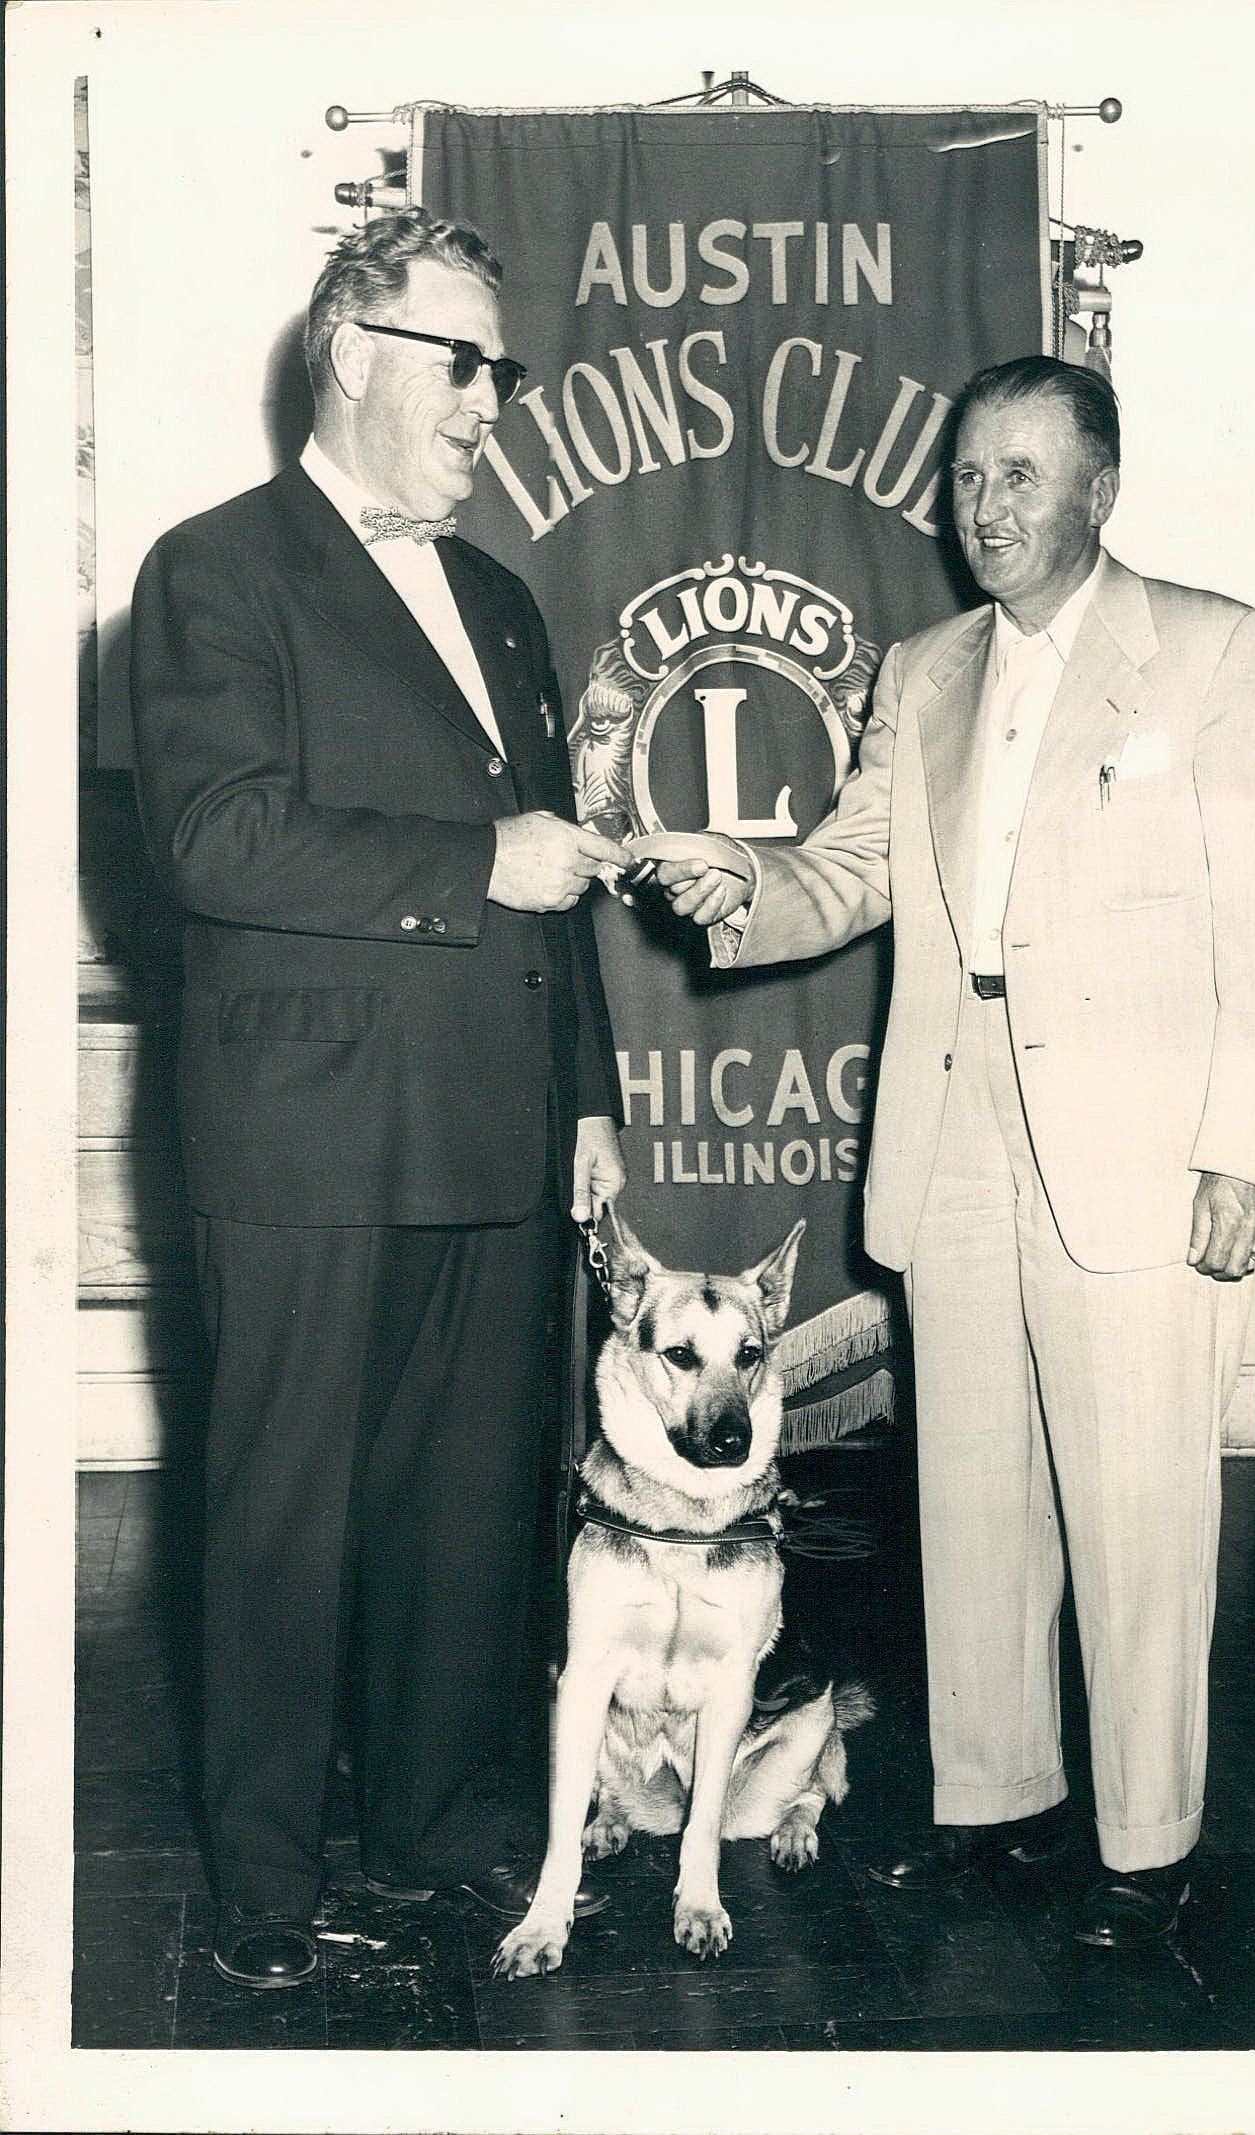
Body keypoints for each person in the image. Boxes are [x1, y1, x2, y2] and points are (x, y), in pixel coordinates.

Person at [651, 355, 1255, 1949]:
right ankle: (994, 1803)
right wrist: (745, 891)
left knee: (1139, 1505)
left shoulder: (1212, 652)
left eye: (1022, 474)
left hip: (1139, 1145)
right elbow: (854, 866)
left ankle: (1144, 1852)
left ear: (1101, 488)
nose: (985, 506)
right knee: (971, 1490)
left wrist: (1244, 1151)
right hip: (951, 1124)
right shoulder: (922, 668)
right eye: (966, 477)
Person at [131, 209, 630, 1990]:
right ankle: (263, 1886)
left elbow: (553, 876)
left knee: (467, 1510)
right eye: (463, 363)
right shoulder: (217, 568)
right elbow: (216, 836)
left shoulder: (498, 598)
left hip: (498, 1126)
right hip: (310, 1133)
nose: (492, 403)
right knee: (279, 1515)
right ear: (354, 353)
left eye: (502, 370)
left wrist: (588, 1093)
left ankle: (435, 1839)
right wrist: (469, 862)